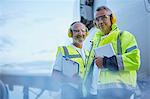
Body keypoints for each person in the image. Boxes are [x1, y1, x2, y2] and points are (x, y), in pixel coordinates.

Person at [88, 6, 141, 99]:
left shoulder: (124, 36)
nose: (100, 21)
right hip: (98, 92)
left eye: (104, 17)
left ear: (112, 18)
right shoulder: (95, 42)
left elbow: (134, 61)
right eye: (97, 19)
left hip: (119, 90)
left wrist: (105, 62)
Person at [52, 21, 92, 99]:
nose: (80, 33)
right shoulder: (64, 50)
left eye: (83, 30)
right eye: (76, 31)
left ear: (86, 33)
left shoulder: (88, 53)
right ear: (70, 34)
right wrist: (70, 80)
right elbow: (55, 75)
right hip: (70, 94)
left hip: (86, 94)